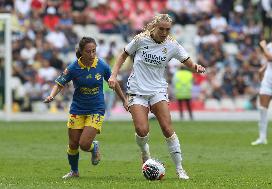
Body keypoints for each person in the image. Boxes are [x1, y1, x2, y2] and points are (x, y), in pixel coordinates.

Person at [108, 14, 206, 179]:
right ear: (154, 27)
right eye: (161, 29)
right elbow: (123, 55)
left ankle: (180, 169)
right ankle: (144, 151)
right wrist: (113, 75)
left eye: (168, 29)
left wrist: (196, 67)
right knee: (142, 130)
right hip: (137, 90)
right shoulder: (140, 39)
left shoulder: (172, 45)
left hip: (157, 90)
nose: (164, 32)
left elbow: (187, 61)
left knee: (168, 129)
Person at [44, 37, 128, 178]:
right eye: (88, 52)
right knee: (73, 144)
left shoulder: (101, 65)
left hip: (96, 108)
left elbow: (114, 82)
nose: (91, 55)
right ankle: (74, 171)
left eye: (94, 51)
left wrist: (124, 100)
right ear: (81, 52)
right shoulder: (73, 67)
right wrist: (52, 96)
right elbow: (60, 83)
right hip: (78, 109)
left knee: (84, 144)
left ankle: (94, 147)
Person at [251, 23, 272, 145]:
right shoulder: (270, 45)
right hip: (268, 79)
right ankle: (262, 138)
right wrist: (262, 69)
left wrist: (263, 47)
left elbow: (271, 58)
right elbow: (269, 62)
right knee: (262, 109)